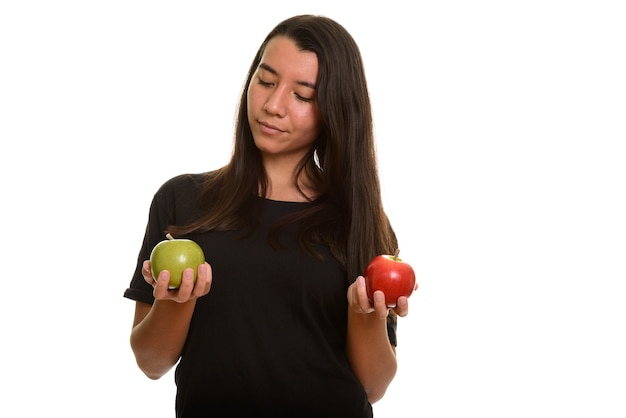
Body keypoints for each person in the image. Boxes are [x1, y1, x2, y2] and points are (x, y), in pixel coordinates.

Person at [124, 14, 416, 417]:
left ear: (334, 110)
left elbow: (374, 386)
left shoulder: (360, 220)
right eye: (265, 81)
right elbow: (151, 362)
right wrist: (178, 301)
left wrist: (364, 315)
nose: (273, 105)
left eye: (303, 95)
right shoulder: (182, 201)